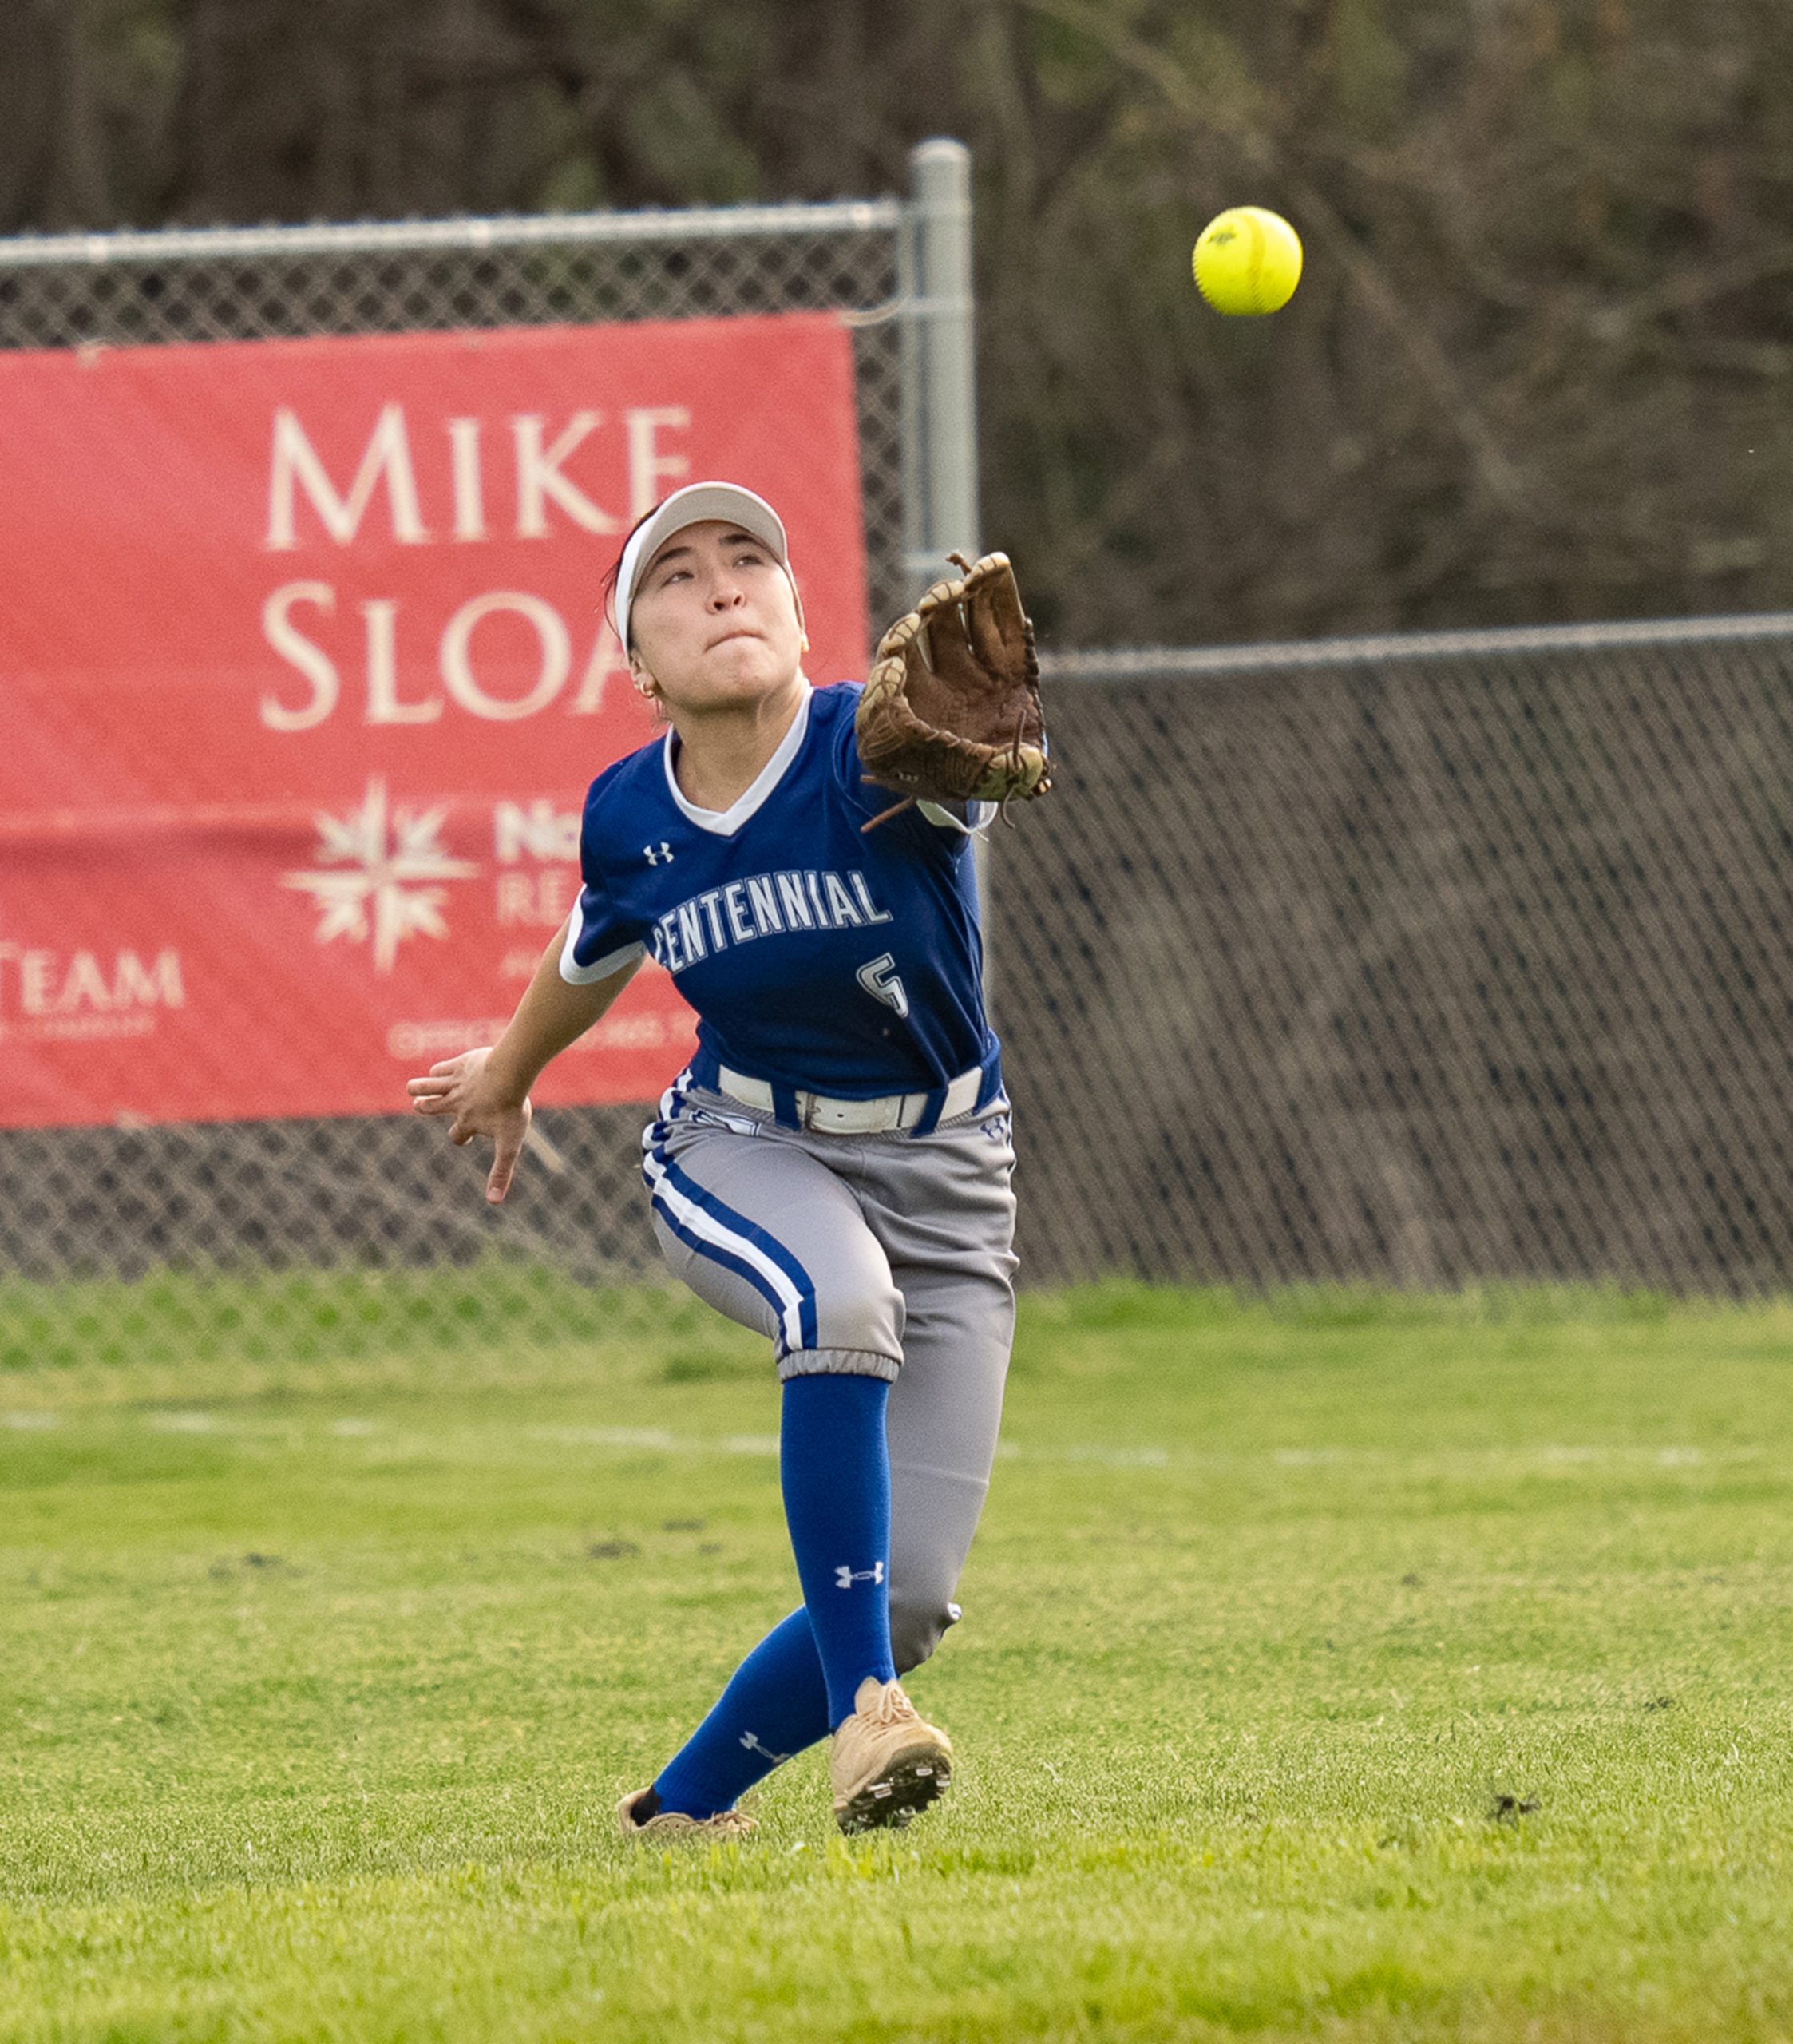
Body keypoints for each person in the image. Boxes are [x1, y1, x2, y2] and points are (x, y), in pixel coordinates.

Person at [407, 481, 1017, 1837]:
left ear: (799, 616)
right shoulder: (630, 811)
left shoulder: (879, 750)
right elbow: (594, 949)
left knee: (910, 1596)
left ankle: (677, 1812)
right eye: (674, 577)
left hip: (951, 1173)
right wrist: (509, 1071)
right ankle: (870, 1720)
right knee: (835, 1302)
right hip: (742, 1143)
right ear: (640, 665)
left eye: (749, 558)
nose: (722, 584)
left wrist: (974, 758)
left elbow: (968, 781)